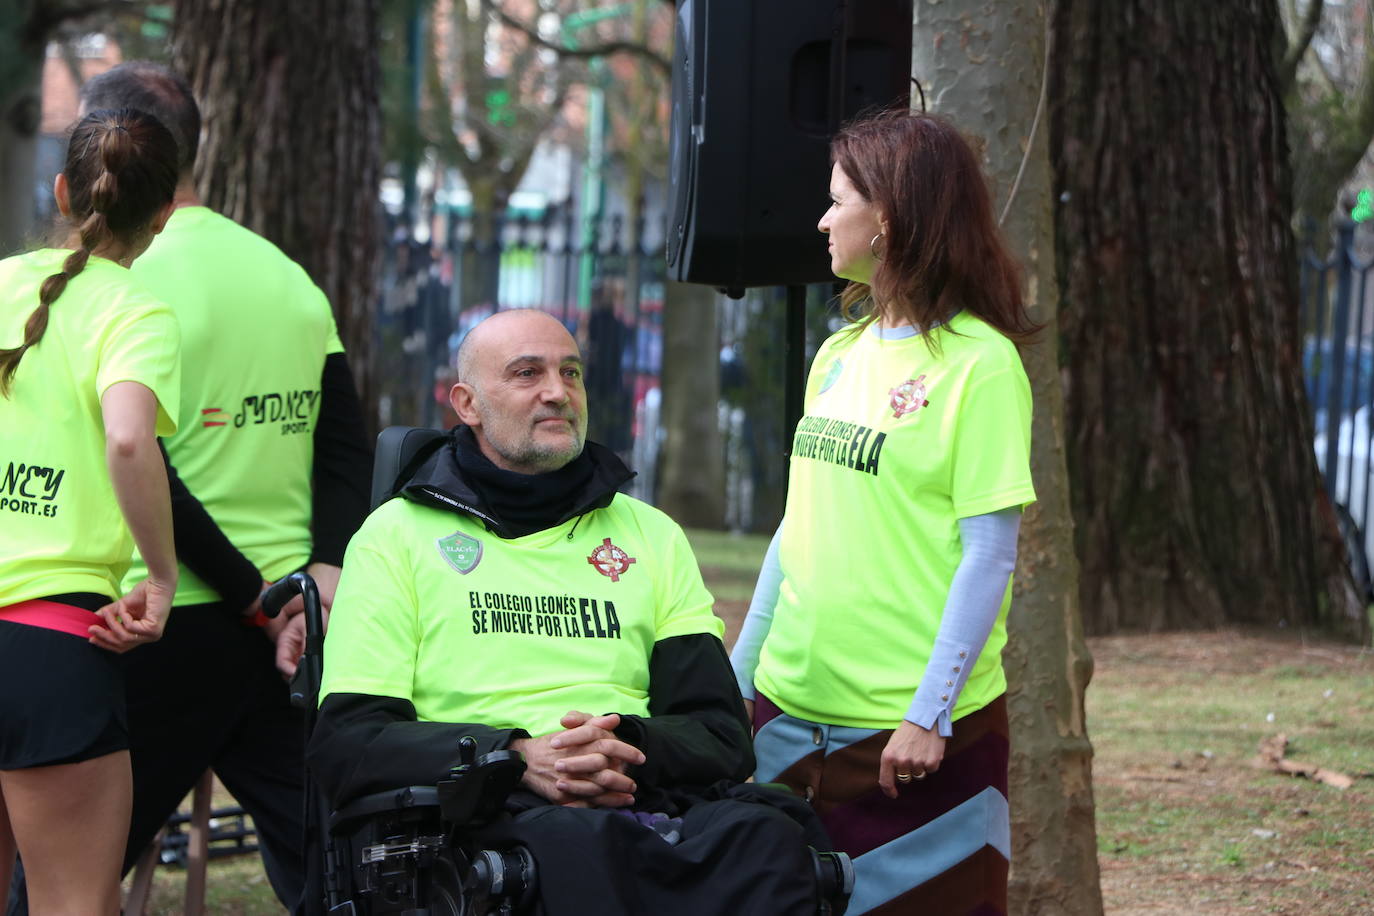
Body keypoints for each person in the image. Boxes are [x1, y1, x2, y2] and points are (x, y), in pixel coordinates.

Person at [308, 308, 827, 916]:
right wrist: (515, 757)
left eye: (571, 373)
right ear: (467, 404)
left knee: (771, 840)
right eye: (527, 373)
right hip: (483, 811)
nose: (557, 392)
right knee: (580, 851)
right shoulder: (395, 537)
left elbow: (718, 734)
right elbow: (350, 743)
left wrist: (624, 745)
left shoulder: (650, 535)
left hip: (640, 792)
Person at [48, 62, 368, 910]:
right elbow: (345, 448)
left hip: (148, 624)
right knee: (333, 873)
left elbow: (146, 462)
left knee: (57, 879)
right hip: (285, 636)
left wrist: (250, 597)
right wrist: (315, 582)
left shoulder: (110, 281)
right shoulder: (288, 277)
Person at [730, 109, 1040, 915]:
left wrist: (928, 714)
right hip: (786, 725)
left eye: (838, 201)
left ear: (890, 219)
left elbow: (990, 555)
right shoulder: (837, 355)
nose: (823, 219)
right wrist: (735, 679)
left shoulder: (984, 365)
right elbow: (797, 533)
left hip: (915, 745)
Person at [0, 108, 181, 915]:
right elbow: (131, 443)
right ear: (166, 212)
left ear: (63, 189)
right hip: (51, 647)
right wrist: (165, 577)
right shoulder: (136, 313)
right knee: (74, 904)